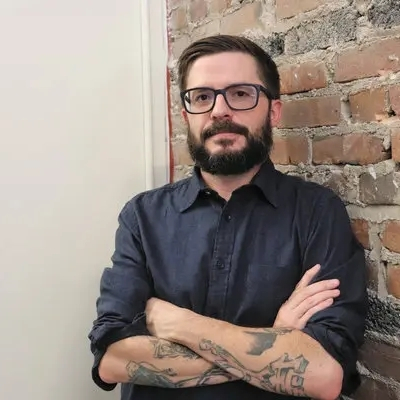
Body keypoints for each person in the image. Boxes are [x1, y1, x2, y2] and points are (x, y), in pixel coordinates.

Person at [88, 34, 368, 400]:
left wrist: (181, 324)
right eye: (202, 97)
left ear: (273, 111)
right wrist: (275, 337)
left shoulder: (316, 211)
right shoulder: (142, 217)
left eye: (240, 93)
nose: (219, 110)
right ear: (187, 115)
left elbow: (323, 374)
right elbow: (112, 360)